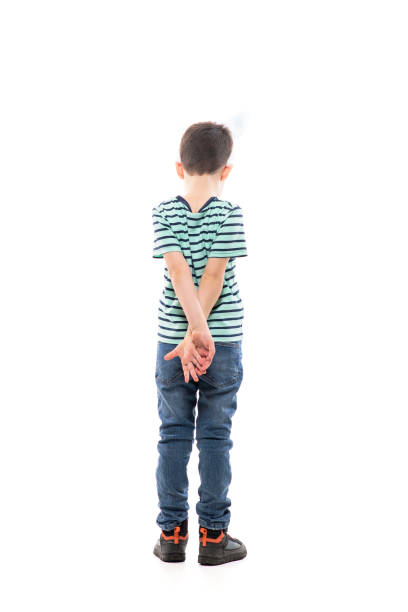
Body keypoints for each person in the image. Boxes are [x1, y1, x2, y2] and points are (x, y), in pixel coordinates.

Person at [151, 121, 248, 565]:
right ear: (225, 171)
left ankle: (172, 535)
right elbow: (213, 275)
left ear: (178, 166)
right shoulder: (229, 214)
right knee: (215, 436)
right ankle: (213, 537)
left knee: (172, 435)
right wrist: (202, 333)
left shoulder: (163, 212)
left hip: (172, 345)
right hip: (219, 344)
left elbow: (178, 273)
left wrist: (188, 332)